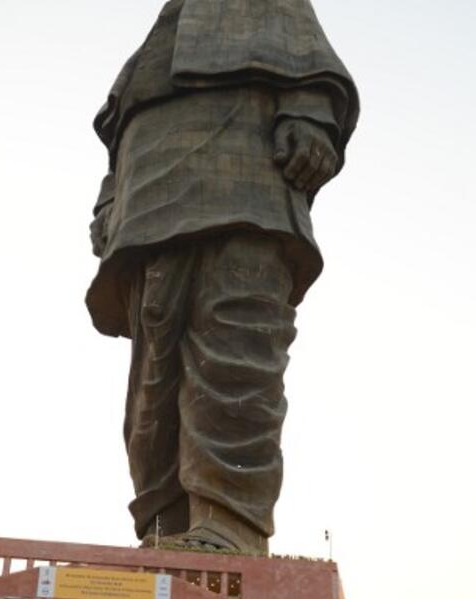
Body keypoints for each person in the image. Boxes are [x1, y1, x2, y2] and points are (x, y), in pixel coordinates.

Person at [86, 0, 359, 555]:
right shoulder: (163, 25)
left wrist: (309, 110)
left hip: (246, 169)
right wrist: (108, 198)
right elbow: (124, 123)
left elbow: (304, 56)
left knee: (235, 341)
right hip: (151, 183)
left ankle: (229, 519)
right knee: (153, 366)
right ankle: (165, 525)